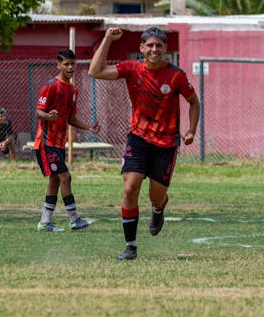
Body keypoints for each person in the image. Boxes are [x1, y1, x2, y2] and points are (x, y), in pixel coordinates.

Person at [88, 27, 200, 260]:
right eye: (149, 45)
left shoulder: (176, 75)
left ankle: (159, 210)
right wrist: (107, 39)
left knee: (156, 196)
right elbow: (95, 71)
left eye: (158, 45)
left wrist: (190, 130)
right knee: (130, 188)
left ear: (166, 49)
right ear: (141, 48)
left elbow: (193, 102)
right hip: (137, 139)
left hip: (166, 144)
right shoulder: (132, 69)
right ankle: (130, 246)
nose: (154, 49)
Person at [34, 49, 100, 232]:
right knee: (66, 177)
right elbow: (38, 112)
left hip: (59, 144)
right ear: (58, 65)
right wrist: (48, 116)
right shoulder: (50, 86)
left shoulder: (73, 90)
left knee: (55, 180)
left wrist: (89, 127)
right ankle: (74, 219)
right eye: (66, 64)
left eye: (73, 64)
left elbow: (71, 118)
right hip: (46, 143)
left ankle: (45, 222)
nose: (70, 67)